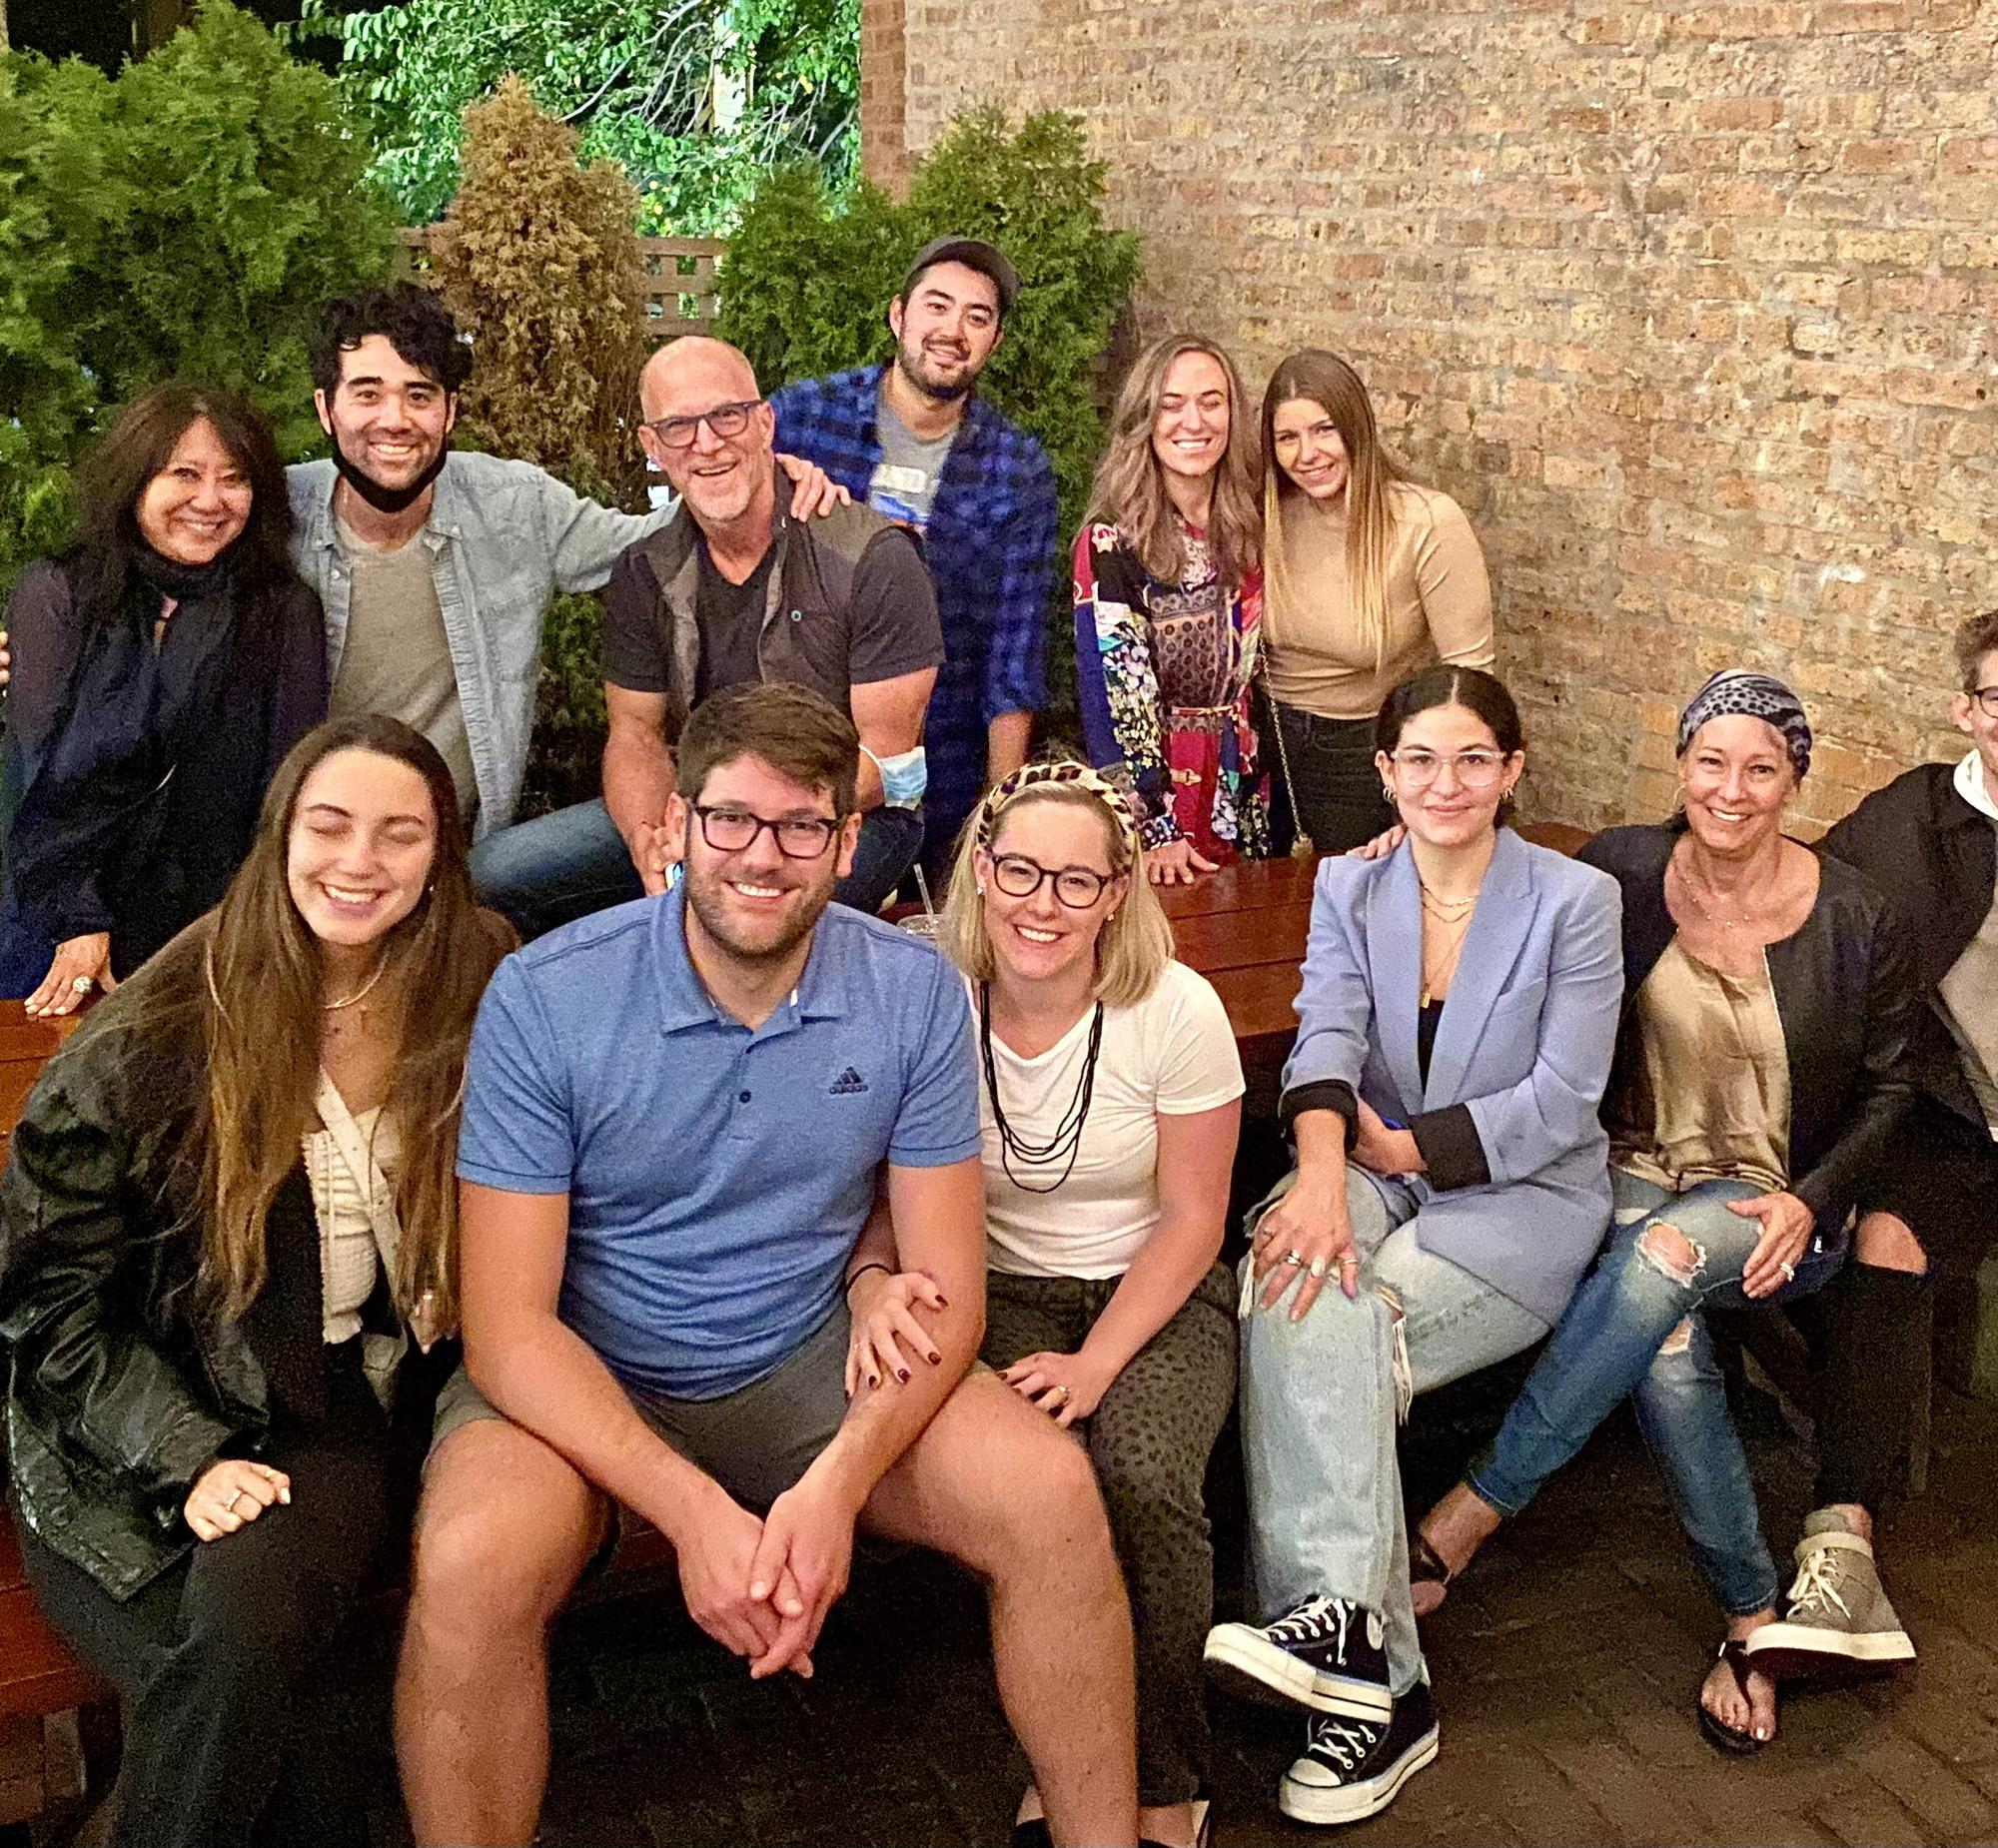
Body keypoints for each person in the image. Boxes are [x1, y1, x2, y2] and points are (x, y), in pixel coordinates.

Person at [393, 681, 1141, 1848]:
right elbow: (508, 1325)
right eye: (731, 819)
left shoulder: (909, 991)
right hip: (588, 1372)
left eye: (802, 826)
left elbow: (947, 1286)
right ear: (676, 823)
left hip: (805, 1358)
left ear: (849, 842)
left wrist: (835, 1488)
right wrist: (696, 1516)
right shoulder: (547, 995)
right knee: (471, 1557)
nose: (761, 855)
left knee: (1047, 1496)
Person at [0, 715, 514, 1848]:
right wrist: (183, 1452)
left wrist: (458, 1273)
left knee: (247, 1670)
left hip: (331, 1411)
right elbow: (46, 1294)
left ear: (441, 854)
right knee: (272, 1709)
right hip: (135, 1411)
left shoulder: (475, 973)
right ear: (280, 834)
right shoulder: (174, 1019)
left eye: (398, 834)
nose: (358, 861)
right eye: (328, 826)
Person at [1413, 670, 1916, 1755]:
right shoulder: (1622, 868)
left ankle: (1464, 1517)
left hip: (1773, 1192)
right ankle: (1748, 1615)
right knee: (1668, 1336)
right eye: (1708, 761)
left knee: (1666, 1258)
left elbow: (1887, 1086)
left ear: (1792, 780)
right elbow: (1494, 886)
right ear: (1678, 765)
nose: (1728, 789)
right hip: (1632, 1164)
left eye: (1757, 768)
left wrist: (1814, 1195)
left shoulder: (1854, 913)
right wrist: (1381, 854)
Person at [1202, 666, 1622, 1826]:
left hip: (1518, 1199)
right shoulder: (1348, 883)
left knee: (1334, 1320)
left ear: (1512, 768)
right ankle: (1368, 1669)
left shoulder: (1573, 900)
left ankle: (1349, 1657)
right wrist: (1325, 1174)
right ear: (1383, 772)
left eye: (1472, 758)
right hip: (1367, 1172)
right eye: (1419, 760)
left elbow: (1564, 1096)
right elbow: (1324, 1027)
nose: (1446, 783)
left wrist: (1401, 1151)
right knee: (1296, 1275)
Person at [846, 759, 1245, 1848]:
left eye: (1077, 881)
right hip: (996, 1285)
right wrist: (872, 1278)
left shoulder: (1175, 1006)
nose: (1042, 903)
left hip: (1149, 1284)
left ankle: (1162, 1774)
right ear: (980, 868)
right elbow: (879, 1178)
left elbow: (1194, 1217)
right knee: (1041, 1491)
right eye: (1019, 869)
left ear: (1118, 890)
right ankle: (1067, 1762)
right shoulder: (929, 998)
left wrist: (1099, 1362)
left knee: (1146, 1474)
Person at [286, 284, 843, 922]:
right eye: (368, 393)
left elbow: (649, 541)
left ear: (449, 411)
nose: (394, 419)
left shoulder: (512, 506)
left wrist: (762, 482)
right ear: (326, 409)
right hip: (320, 853)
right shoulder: (276, 520)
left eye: (419, 395)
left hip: (454, 856)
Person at [471, 336, 944, 931]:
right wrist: (655, 834)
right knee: (495, 874)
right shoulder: (645, 570)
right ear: (652, 445)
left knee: (735, 921)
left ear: (764, 423)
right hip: (693, 805)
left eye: (727, 415)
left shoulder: (870, 558)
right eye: (677, 426)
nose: (707, 442)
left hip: (846, 813)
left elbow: (884, 757)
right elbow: (636, 734)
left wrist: (733, 832)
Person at [1754, 608, 1998, 1677]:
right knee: (1882, 1236)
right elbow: (1784, 890)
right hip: (1959, 1120)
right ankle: (1842, 1547)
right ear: (1966, 710)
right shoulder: (1910, 822)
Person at [0, 383, 326, 1013]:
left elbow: (287, 784)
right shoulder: (60, 591)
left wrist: (227, 936)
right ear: (136, 480)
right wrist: (79, 921)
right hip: (50, 897)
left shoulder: (281, 610)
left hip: (208, 919)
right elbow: (37, 774)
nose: (210, 500)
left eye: (234, 479)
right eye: (185, 474)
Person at [769, 236, 1058, 877]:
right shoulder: (802, 418)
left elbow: (1015, 649)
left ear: (994, 343)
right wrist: (777, 469)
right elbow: (720, 509)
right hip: (802, 735)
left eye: (977, 318)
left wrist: (999, 806)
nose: (953, 330)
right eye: (937, 306)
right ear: (898, 315)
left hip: (940, 754)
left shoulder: (1017, 469)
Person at [1257, 351, 1495, 854]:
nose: (1307, 454)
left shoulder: (1425, 522)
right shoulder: (1265, 516)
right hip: (1258, 747)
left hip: (1363, 758)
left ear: (1357, 428)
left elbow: (1471, 678)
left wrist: (1430, 797)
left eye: (1324, 430)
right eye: (1288, 437)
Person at [1073, 336, 1268, 884]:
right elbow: (1115, 694)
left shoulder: (1246, 522)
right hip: (1165, 793)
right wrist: (1156, 827)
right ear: (1145, 417)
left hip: (1243, 783)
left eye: (1212, 401)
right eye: (1172, 403)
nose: (1194, 420)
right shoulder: (1114, 541)